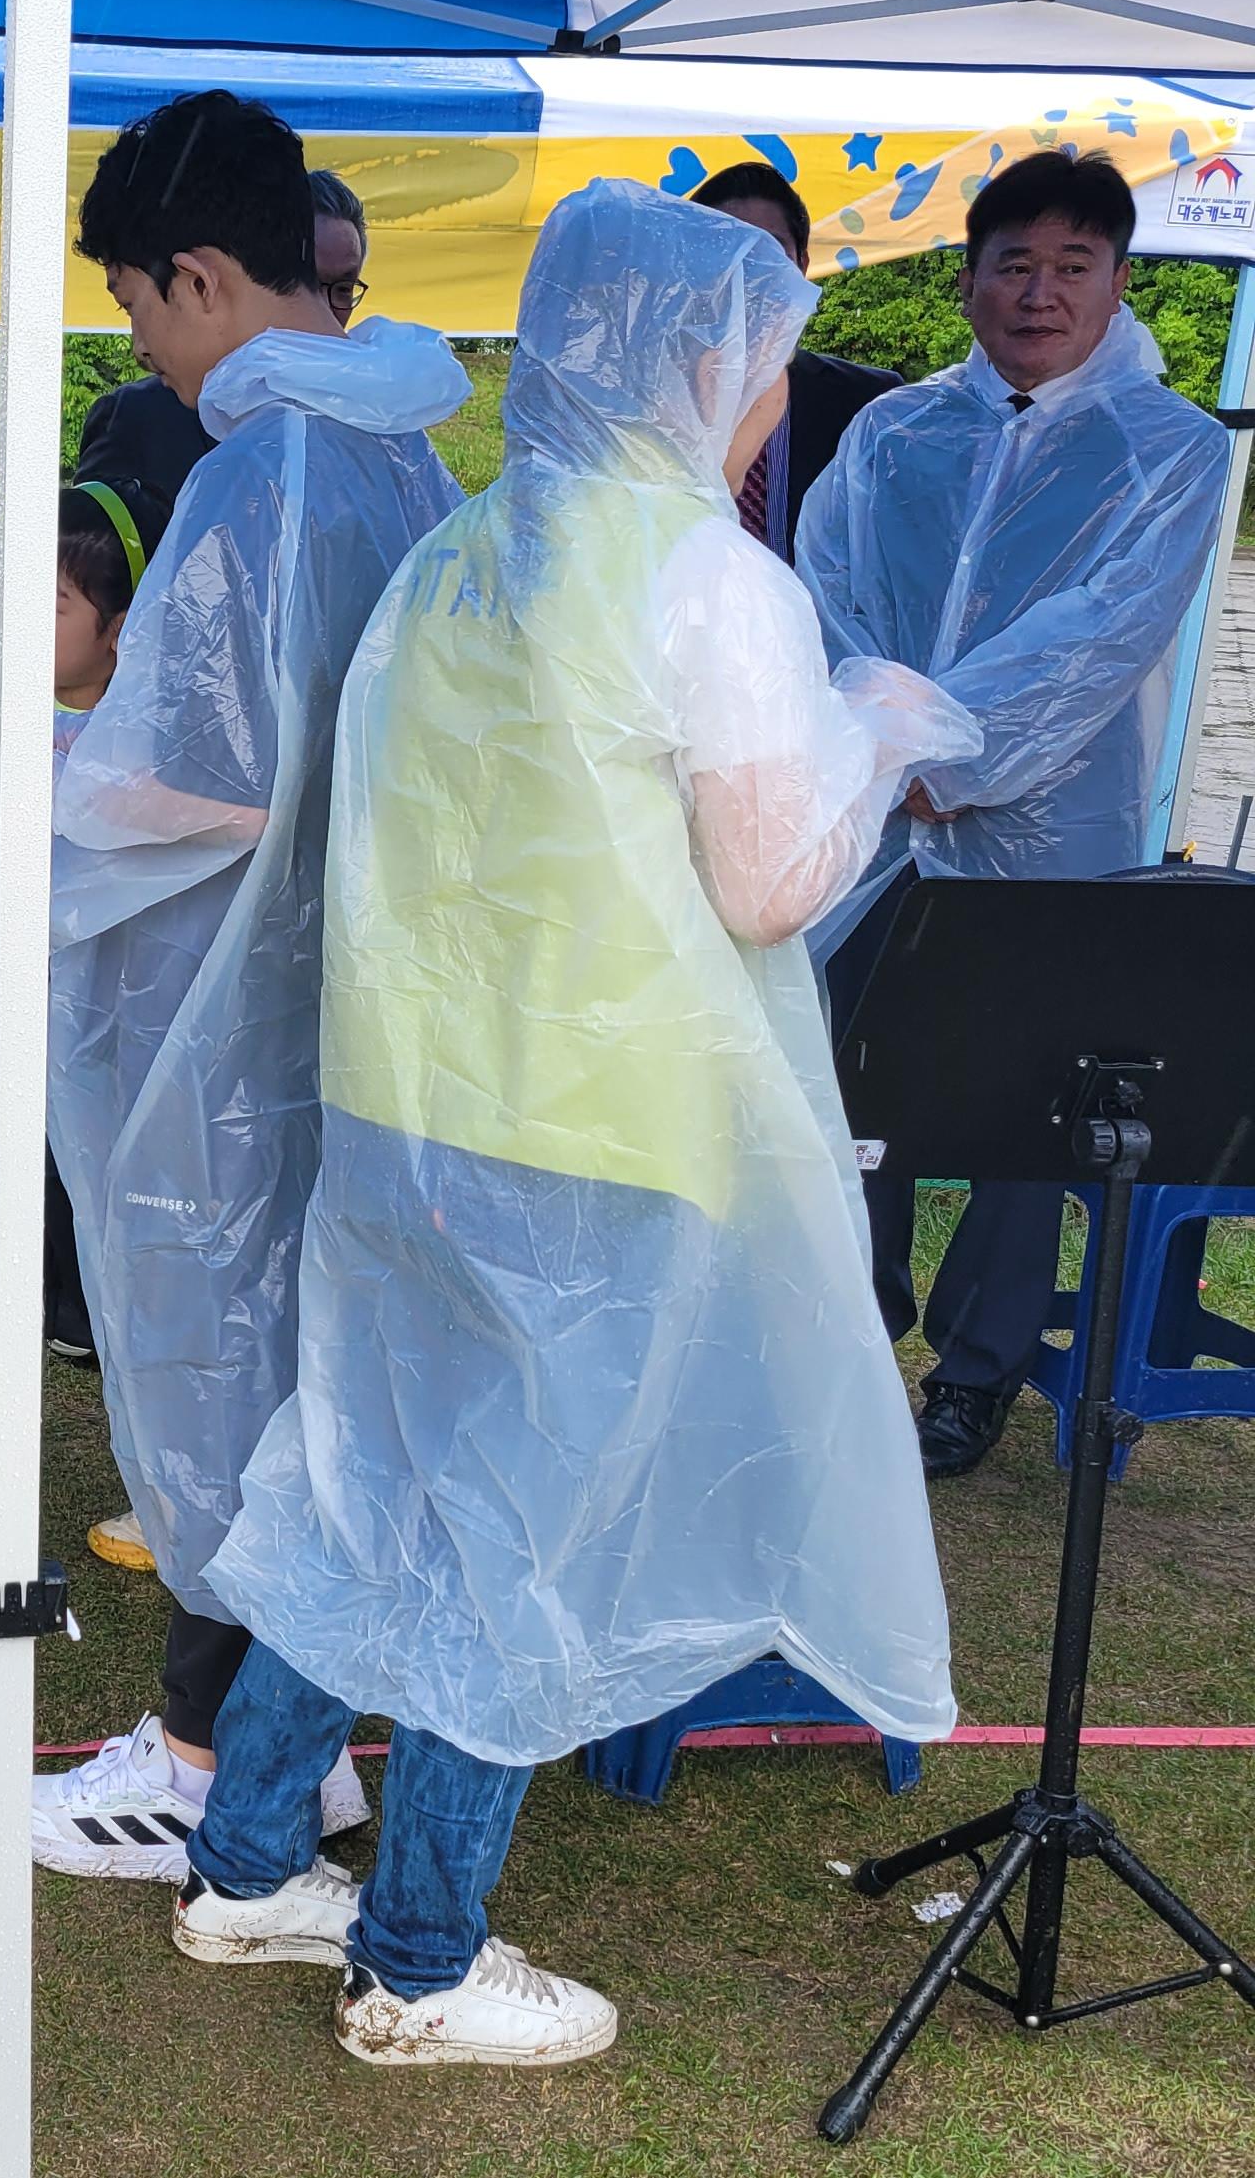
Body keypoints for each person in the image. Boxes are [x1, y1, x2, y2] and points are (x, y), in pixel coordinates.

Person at [177, 179, 972, 2067]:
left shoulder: (464, 548)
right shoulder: (706, 577)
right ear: (696, 360)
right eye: (765, 364)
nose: (773, 402)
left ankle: (245, 1860)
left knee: (366, 1478)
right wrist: (875, 729)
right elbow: (768, 881)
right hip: (595, 1125)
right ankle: (417, 1959)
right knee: (517, 1534)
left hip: (407, 1101)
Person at [34, 95, 469, 1884]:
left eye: (138, 305)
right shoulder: (406, 454)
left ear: (200, 276)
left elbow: (206, 776)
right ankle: (295, 1739)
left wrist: (49, 793)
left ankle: (211, 1756)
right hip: (356, 998)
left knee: (228, 1371)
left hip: (240, 1019)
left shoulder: (265, 470)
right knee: (318, 1372)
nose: (142, 345)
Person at [802, 148, 1234, 1479]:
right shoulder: (896, 433)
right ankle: (841, 1343)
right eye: (1014, 264)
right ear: (971, 278)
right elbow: (829, 590)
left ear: (1117, 281)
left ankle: (976, 1372)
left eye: (1072, 265)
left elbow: (1100, 636)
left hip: (1050, 832)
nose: (1040, 293)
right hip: (880, 818)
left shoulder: (1171, 449)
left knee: (1030, 1111)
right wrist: (885, 744)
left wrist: (949, 754)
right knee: (849, 1077)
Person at [0, 475, 163, 1609]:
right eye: (15, 601)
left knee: (132, 1272)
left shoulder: (159, 749)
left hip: (117, 1056)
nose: (25, 627)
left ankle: (165, 1487)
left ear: (118, 624)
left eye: (54, 605)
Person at [74, 168, 372, 507]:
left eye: (343, 289)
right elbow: (89, 538)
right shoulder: (135, 418)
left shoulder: (374, 424)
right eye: (305, 285)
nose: (322, 311)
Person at [689, 159, 901, 555]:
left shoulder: (870, 402)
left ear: (801, 265)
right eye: (725, 248)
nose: (747, 270)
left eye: (768, 250)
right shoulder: (652, 403)